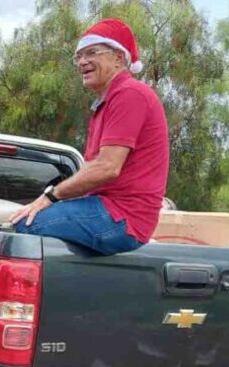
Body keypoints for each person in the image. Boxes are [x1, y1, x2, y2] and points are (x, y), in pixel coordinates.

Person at [10, 18, 169, 255]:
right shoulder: (108, 101)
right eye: (79, 56)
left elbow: (107, 168)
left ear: (119, 58)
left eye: (92, 52)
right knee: (33, 219)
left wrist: (51, 196)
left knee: (27, 223)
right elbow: (95, 168)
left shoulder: (130, 94)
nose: (82, 61)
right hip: (110, 212)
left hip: (121, 218)